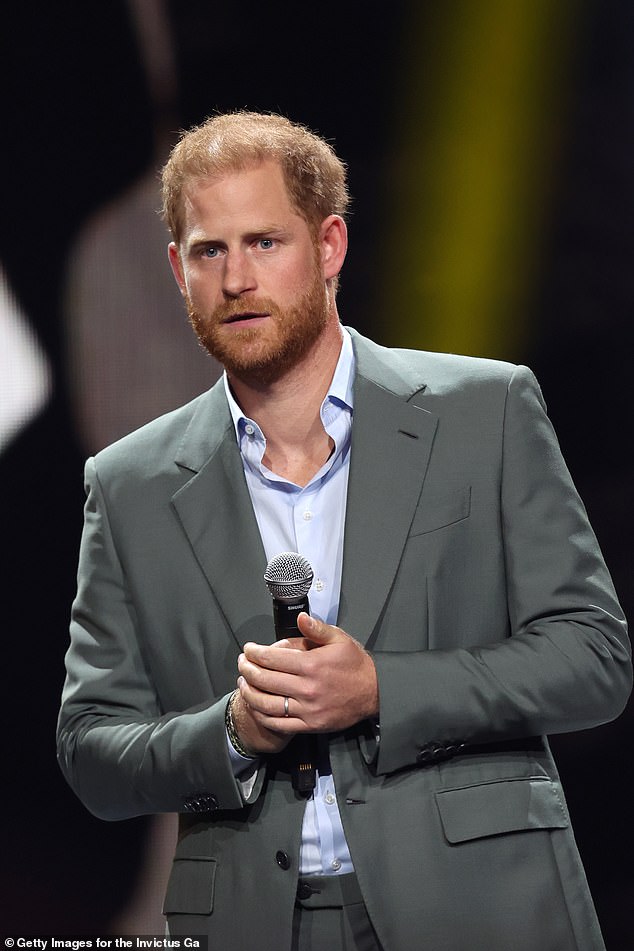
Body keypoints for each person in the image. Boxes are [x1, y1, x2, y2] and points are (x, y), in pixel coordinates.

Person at [57, 111, 631, 951]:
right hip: (256, 921)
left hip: (478, 905)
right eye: (211, 251)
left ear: (329, 247)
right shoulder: (129, 482)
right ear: (178, 270)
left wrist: (380, 690)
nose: (237, 279)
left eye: (265, 242)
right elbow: (91, 750)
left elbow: (594, 658)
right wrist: (231, 732)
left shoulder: (486, 409)